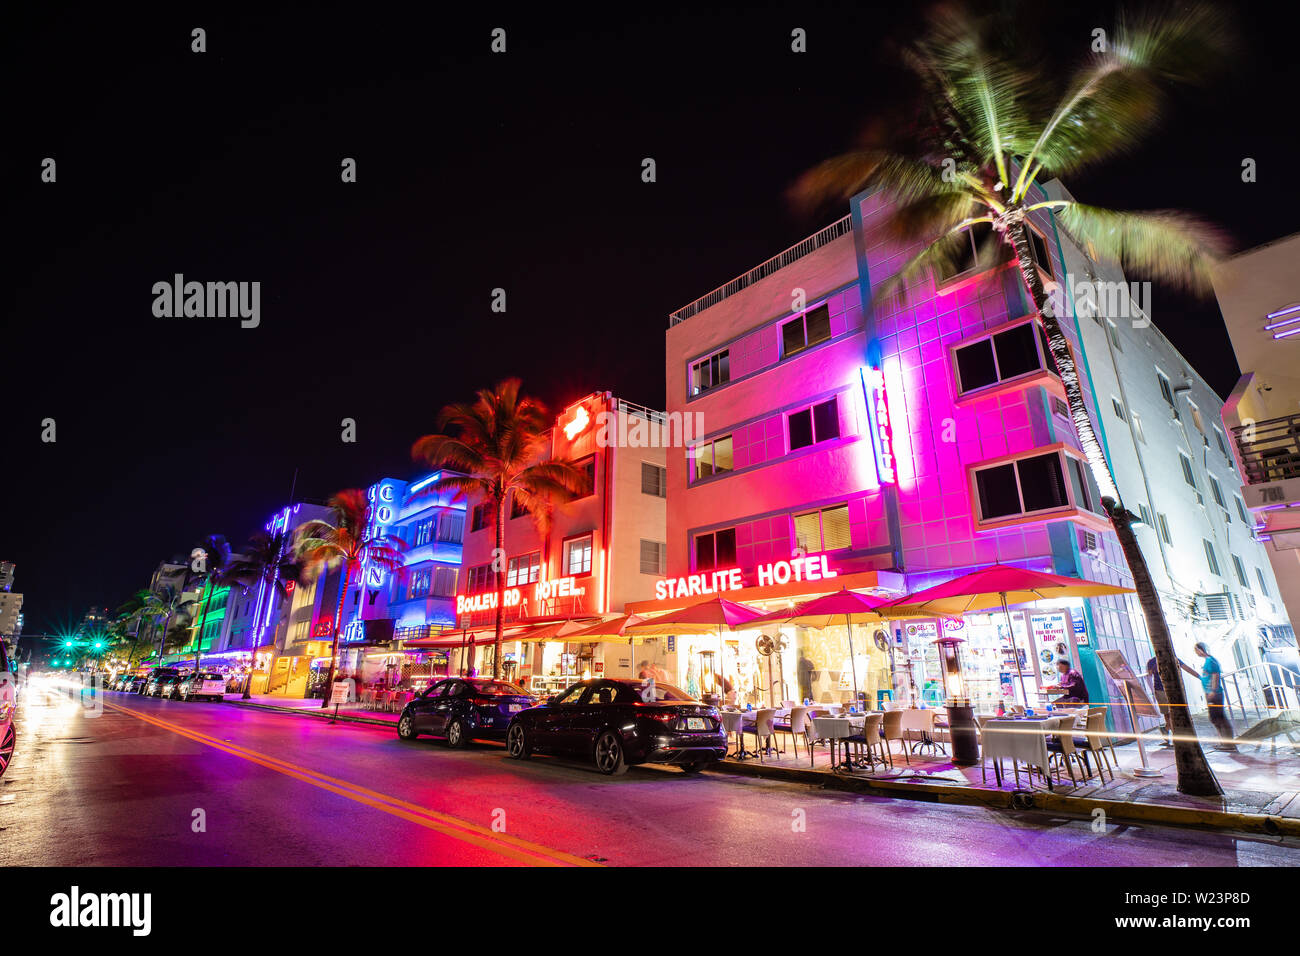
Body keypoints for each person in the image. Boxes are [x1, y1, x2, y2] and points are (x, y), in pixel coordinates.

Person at [1145, 653, 1200, 745]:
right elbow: (1149, 676)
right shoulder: (1151, 662)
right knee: (1167, 714)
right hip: (1160, 690)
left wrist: (1200, 677)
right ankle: (1172, 734)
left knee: (1173, 713)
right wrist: (1153, 691)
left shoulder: (1172, 658)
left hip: (1173, 689)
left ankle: (1167, 730)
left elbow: (1186, 668)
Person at [1194, 642, 1237, 751]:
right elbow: (1206, 676)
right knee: (1216, 718)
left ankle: (1228, 743)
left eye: (1196, 650)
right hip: (1211, 693)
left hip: (1214, 694)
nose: (1195, 652)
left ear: (1201, 649)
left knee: (1218, 718)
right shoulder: (1208, 661)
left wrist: (1213, 691)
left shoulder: (1211, 661)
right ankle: (1224, 742)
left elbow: (1215, 676)